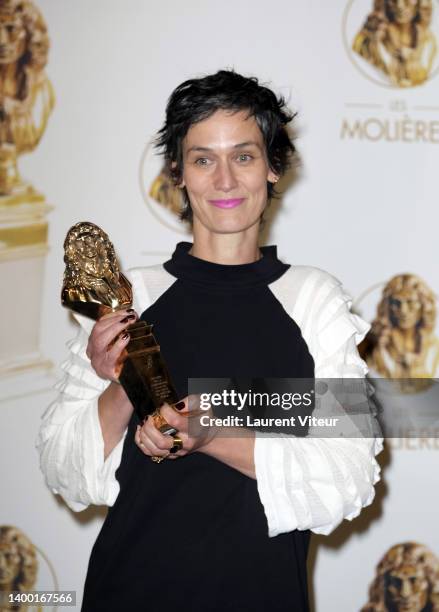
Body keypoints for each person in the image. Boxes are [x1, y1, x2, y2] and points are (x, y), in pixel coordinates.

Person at [37, 69, 383, 612]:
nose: (224, 180)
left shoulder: (316, 302)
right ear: (177, 173)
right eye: (202, 159)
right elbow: (65, 471)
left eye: (243, 156)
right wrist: (125, 382)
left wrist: (213, 431)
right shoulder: (133, 298)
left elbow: (348, 477)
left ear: (272, 167)